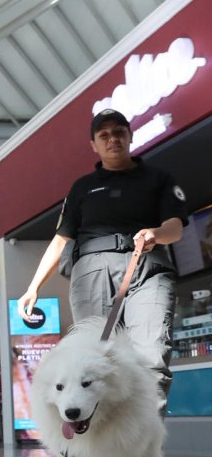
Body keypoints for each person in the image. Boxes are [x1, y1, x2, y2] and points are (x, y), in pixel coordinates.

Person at [18, 109, 186, 412]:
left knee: (152, 358)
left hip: (148, 268)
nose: (113, 139)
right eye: (104, 135)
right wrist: (33, 287)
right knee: (92, 359)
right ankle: (99, 449)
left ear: (130, 136)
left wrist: (155, 233)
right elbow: (61, 238)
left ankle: (141, 446)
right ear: (94, 144)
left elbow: (175, 228)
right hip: (92, 271)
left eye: (119, 132)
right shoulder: (82, 187)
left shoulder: (159, 178)